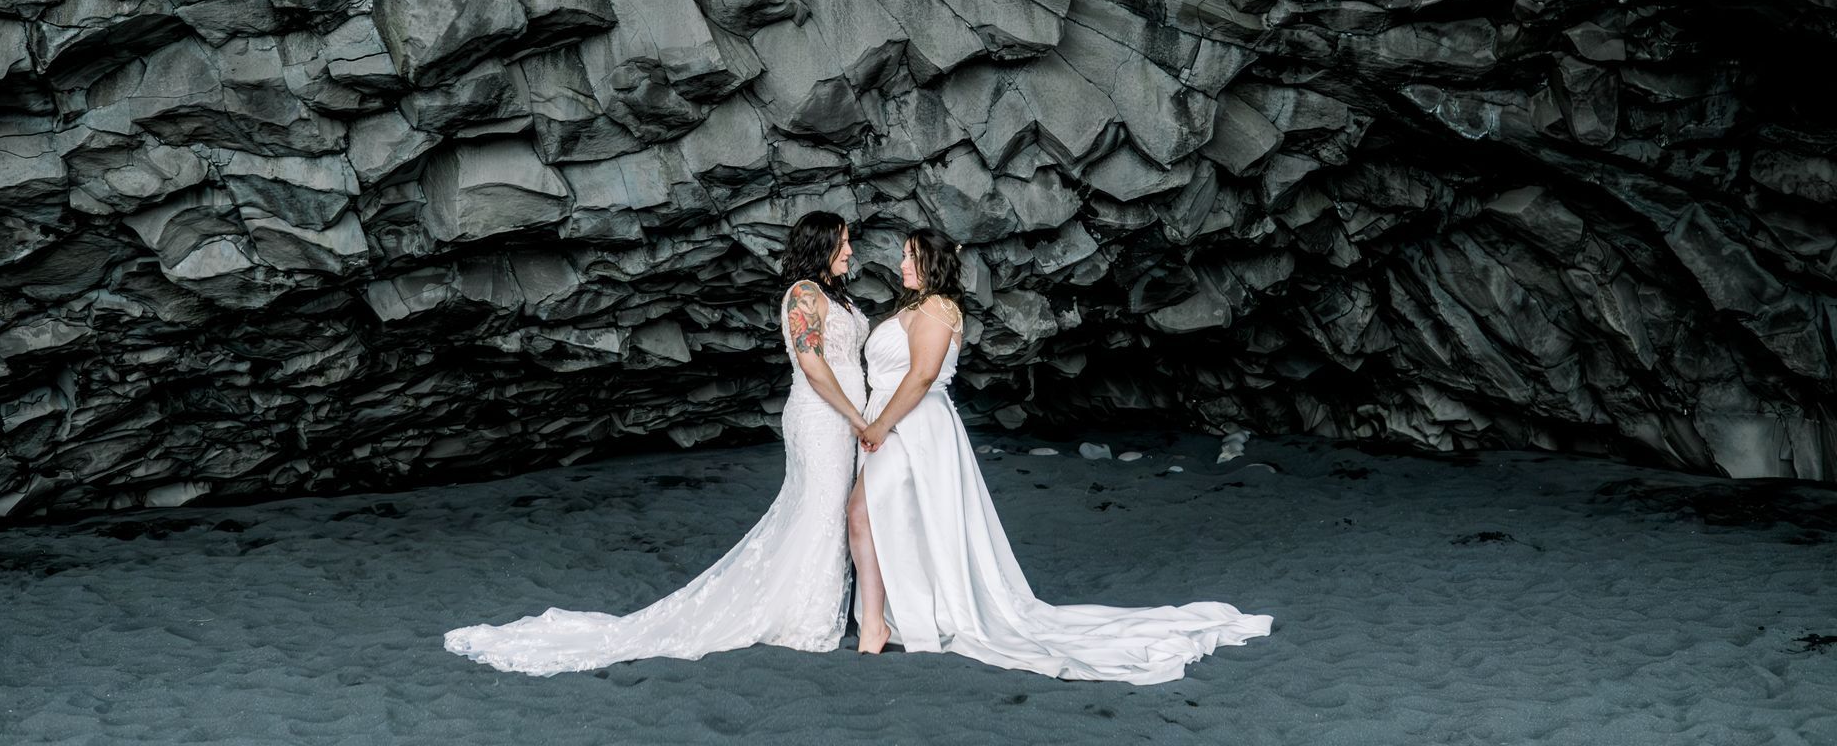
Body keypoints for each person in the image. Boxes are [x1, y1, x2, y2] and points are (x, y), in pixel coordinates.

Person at [444, 211, 870, 673]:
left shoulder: (836, 296)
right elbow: (812, 364)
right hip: (823, 418)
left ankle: (808, 603)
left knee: (824, 511)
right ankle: (806, 615)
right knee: (823, 510)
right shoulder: (803, 295)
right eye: (842, 242)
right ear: (821, 246)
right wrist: (853, 415)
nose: (849, 250)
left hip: (844, 418)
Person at [845, 228, 1273, 682]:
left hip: (910, 425)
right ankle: (887, 616)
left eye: (911, 257)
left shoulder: (936, 307)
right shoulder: (917, 306)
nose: (902, 265)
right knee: (892, 518)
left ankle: (876, 624)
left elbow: (922, 375)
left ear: (932, 263)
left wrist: (879, 425)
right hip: (897, 421)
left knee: (862, 514)